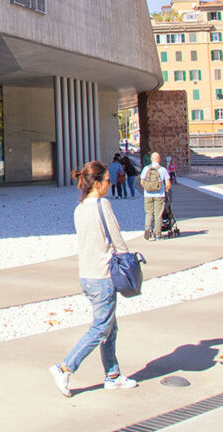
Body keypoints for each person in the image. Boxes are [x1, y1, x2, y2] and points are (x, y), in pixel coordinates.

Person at [49, 160, 139, 398]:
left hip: (87, 275)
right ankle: (64, 368)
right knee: (101, 328)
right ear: (97, 183)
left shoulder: (79, 209)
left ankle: (113, 375)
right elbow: (117, 239)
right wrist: (128, 261)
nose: (110, 183)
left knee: (110, 327)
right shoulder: (103, 205)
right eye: (107, 180)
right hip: (103, 275)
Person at [138, 152, 171, 241]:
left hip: (147, 195)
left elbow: (141, 182)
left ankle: (147, 228)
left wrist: (147, 188)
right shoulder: (163, 169)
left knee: (148, 213)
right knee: (158, 214)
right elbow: (168, 183)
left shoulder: (146, 169)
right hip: (159, 195)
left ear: (151, 159)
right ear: (159, 159)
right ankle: (157, 234)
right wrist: (166, 190)